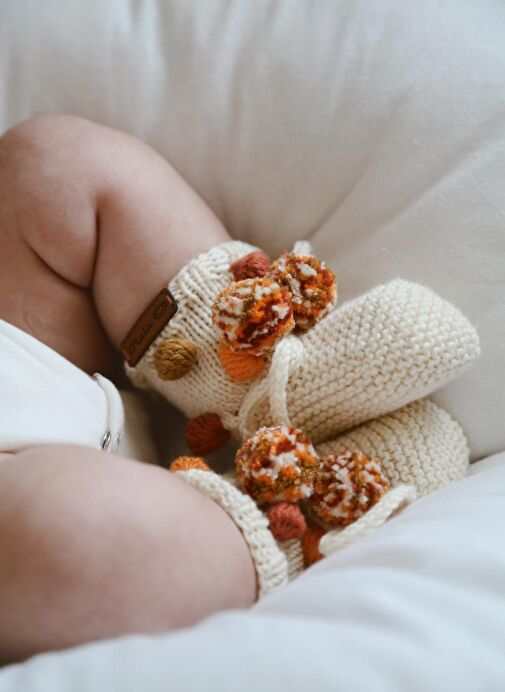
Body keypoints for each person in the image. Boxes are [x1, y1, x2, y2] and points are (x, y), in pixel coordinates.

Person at [0, 115, 257, 663]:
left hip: (31, 360)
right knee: (73, 538)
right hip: (36, 515)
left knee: (52, 166)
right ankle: (291, 520)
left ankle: (268, 362)